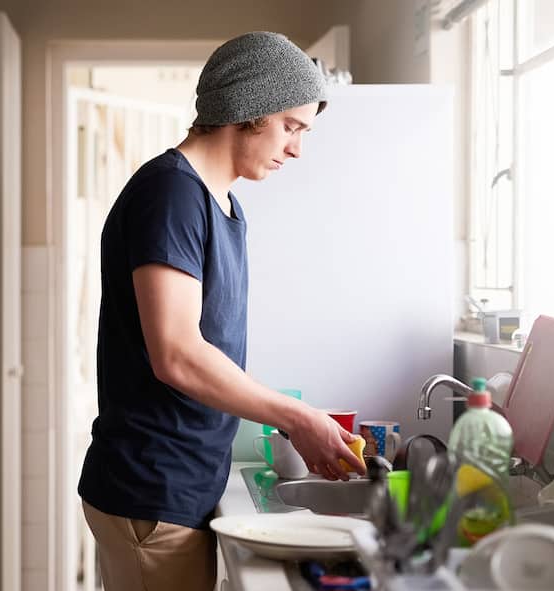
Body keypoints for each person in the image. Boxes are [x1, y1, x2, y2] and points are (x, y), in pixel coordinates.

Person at [77, 31, 366, 591]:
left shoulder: (219, 202)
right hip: (154, 489)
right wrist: (296, 417)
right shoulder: (172, 195)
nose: (297, 149)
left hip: (183, 484)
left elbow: (209, 350)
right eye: (291, 126)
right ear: (248, 108)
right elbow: (178, 356)